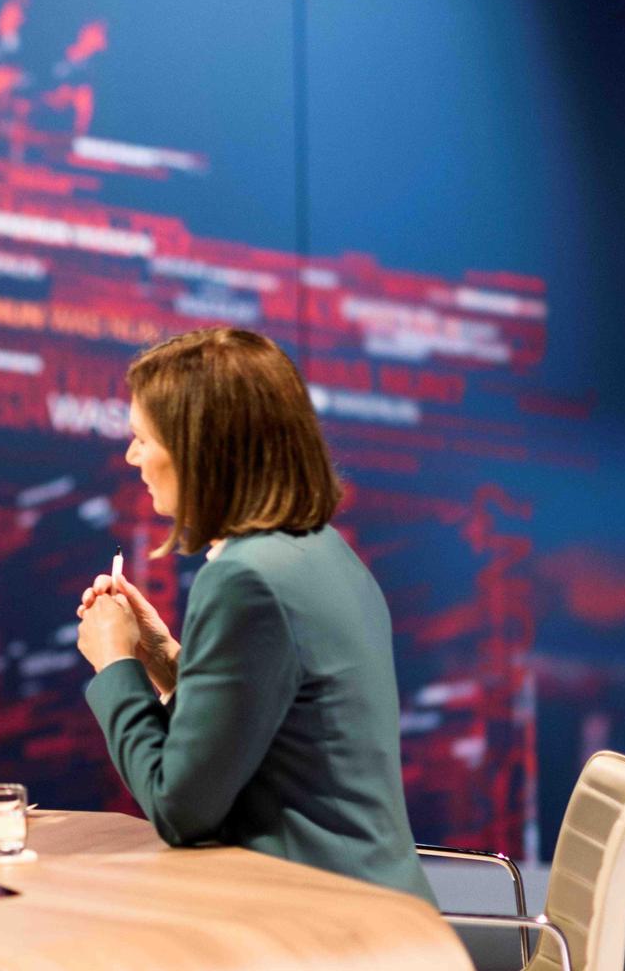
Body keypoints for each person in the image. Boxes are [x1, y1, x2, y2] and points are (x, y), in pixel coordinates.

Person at [74, 327, 435, 903]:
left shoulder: (246, 579)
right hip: (376, 908)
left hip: (328, 930)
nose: (132, 455)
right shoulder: (319, 549)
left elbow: (179, 808)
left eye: (143, 438)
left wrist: (115, 661)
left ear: (199, 447)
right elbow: (272, 728)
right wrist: (166, 659)